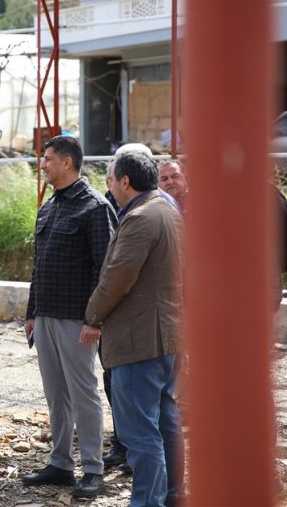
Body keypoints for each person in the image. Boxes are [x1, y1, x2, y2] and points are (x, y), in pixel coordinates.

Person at [83, 150, 185, 506]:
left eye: (110, 180)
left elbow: (118, 278)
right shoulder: (166, 208)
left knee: (141, 433)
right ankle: (173, 496)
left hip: (139, 339)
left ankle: (147, 501)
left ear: (125, 181)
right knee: (165, 422)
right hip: (165, 335)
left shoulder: (140, 217)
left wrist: (92, 316)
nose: (108, 187)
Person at [21, 136, 115, 499]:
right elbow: (38, 265)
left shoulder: (93, 207)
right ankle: (60, 463)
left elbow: (103, 269)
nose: (42, 165)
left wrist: (95, 319)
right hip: (46, 316)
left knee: (84, 394)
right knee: (55, 394)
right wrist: (32, 312)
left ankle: (92, 468)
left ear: (67, 163)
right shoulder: (49, 206)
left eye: (47, 159)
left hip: (78, 320)